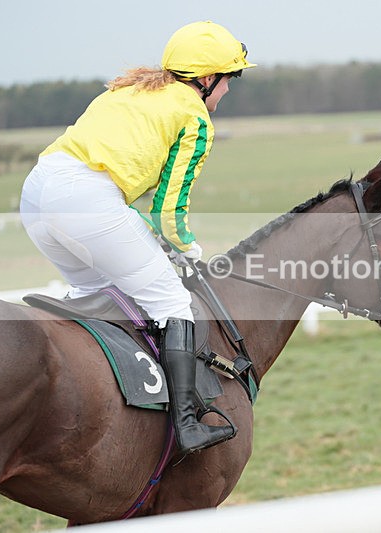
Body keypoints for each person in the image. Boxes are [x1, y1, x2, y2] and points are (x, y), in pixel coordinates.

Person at [19, 21, 256, 454]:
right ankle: (187, 425)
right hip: (88, 202)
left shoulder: (128, 89)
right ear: (206, 79)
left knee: (102, 293)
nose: (226, 93)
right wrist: (188, 249)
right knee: (173, 304)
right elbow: (169, 210)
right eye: (228, 82)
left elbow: (128, 205)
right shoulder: (193, 115)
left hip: (37, 196)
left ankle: (103, 402)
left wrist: (159, 241)